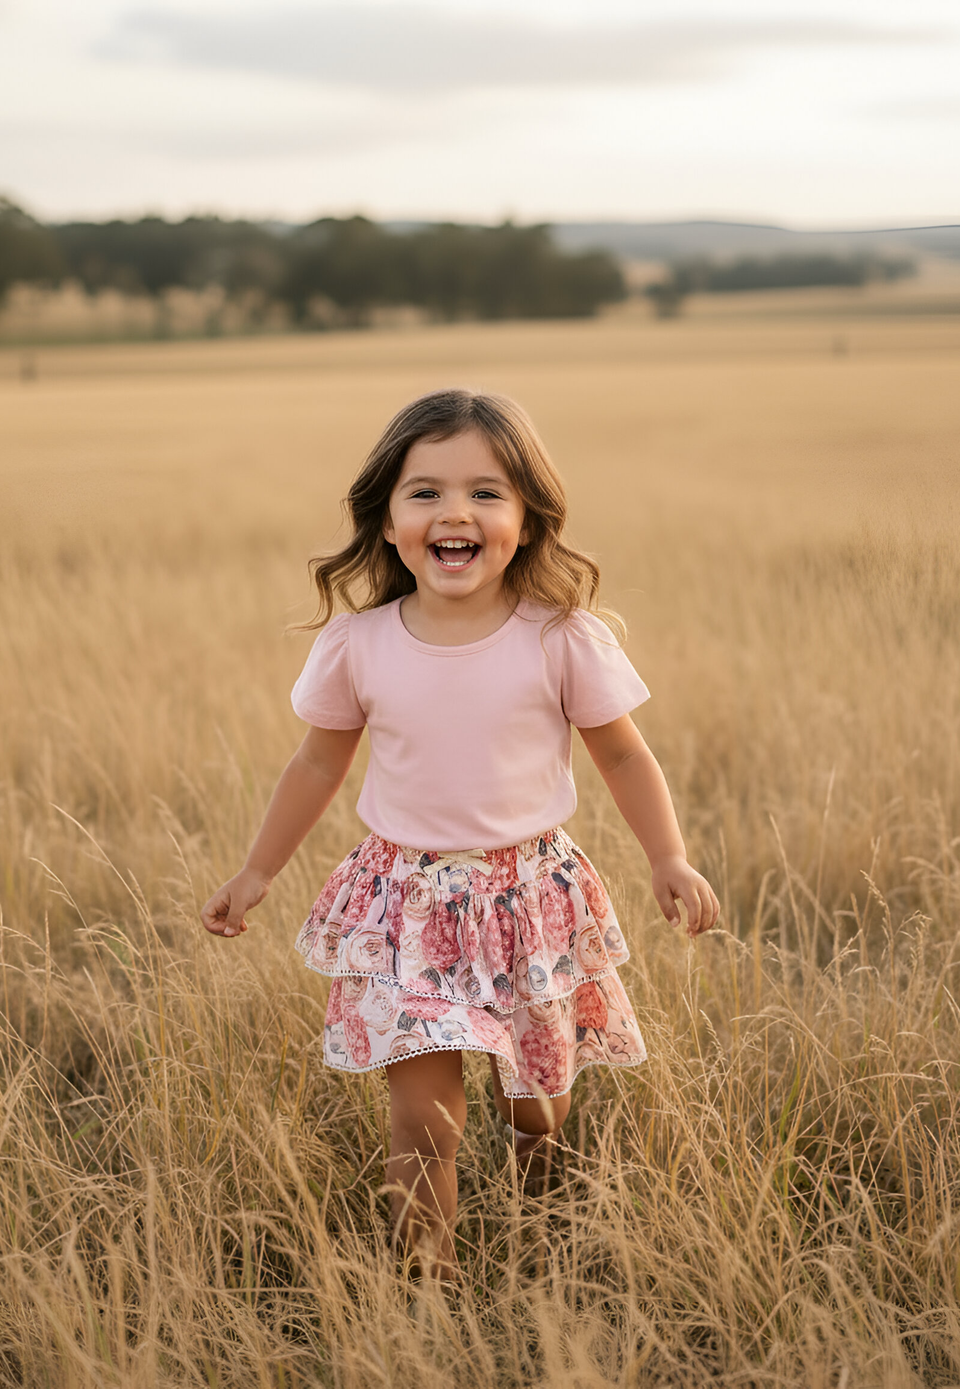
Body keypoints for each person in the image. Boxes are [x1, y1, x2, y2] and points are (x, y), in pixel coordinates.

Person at [201, 388, 719, 1282]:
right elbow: (317, 764)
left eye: (485, 492)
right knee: (423, 1121)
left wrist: (668, 855)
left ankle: (540, 1229)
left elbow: (624, 754)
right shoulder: (360, 644)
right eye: (426, 492)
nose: (455, 513)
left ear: (527, 517)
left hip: (530, 897)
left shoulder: (561, 638)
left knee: (537, 1110)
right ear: (388, 519)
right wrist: (256, 870)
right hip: (406, 903)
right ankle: (428, 1294)